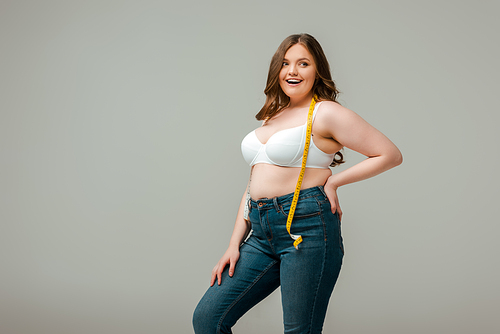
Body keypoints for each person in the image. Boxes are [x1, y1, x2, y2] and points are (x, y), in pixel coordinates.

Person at [192, 33, 402, 334]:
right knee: (208, 318)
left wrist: (334, 183)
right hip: (261, 231)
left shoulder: (325, 112)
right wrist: (233, 244)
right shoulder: (271, 116)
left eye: (303, 63)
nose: (292, 71)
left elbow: (389, 154)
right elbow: (253, 184)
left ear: (317, 71)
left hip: (306, 226)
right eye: (286, 63)